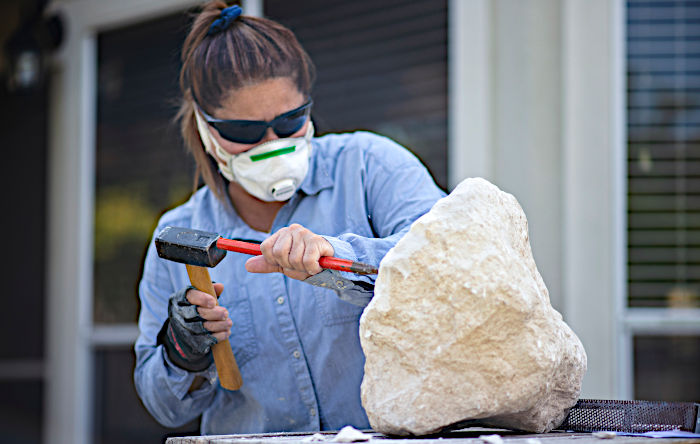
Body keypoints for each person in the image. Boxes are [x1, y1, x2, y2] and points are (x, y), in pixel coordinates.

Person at [134, 1, 445, 436]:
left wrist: (338, 256)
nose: (272, 145)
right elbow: (163, 409)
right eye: (244, 132)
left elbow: (447, 263)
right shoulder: (179, 234)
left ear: (309, 107)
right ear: (206, 129)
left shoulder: (370, 166)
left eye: (289, 122)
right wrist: (182, 352)